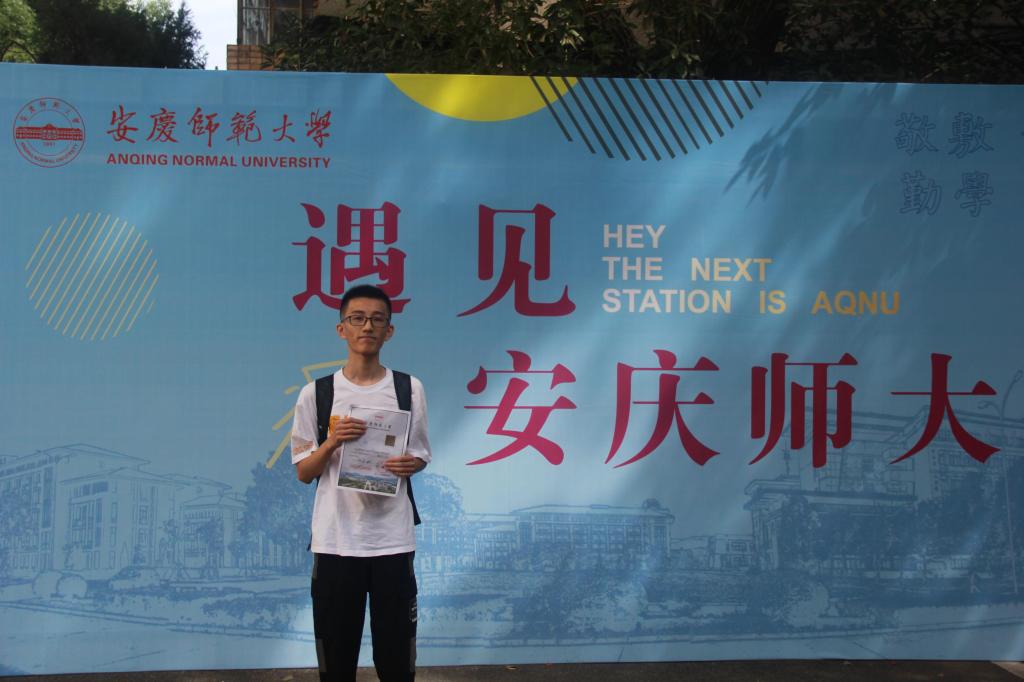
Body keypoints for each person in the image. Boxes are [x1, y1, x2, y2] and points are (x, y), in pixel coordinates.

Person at [291, 284, 431, 681]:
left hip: (392, 541)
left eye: (377, 319)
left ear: (389, 330)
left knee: (396, 660)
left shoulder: (408, 388)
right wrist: (333, 441)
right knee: (336, 661)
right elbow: (304, 471)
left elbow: (421, 453)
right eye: (357, 318)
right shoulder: (317, 394)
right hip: (336, 541)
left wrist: (409, 464)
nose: (367, 326)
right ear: (342, 329)